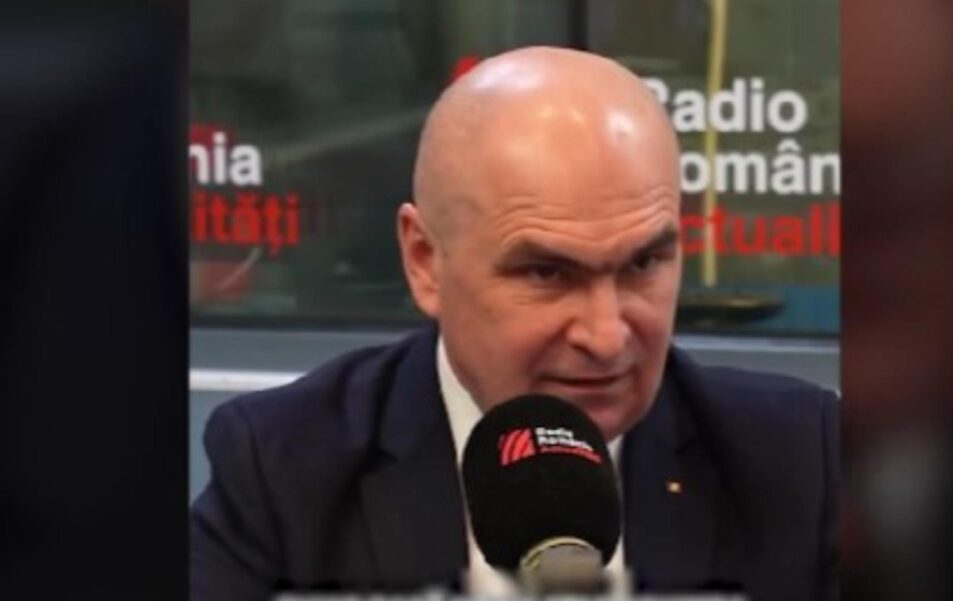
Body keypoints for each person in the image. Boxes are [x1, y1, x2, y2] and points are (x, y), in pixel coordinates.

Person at [191, 47, 839, 601]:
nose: (607, 335)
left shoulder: (802, 460)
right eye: (546, 273)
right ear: (424, 260)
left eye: (643, 263)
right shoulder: (284, 468)